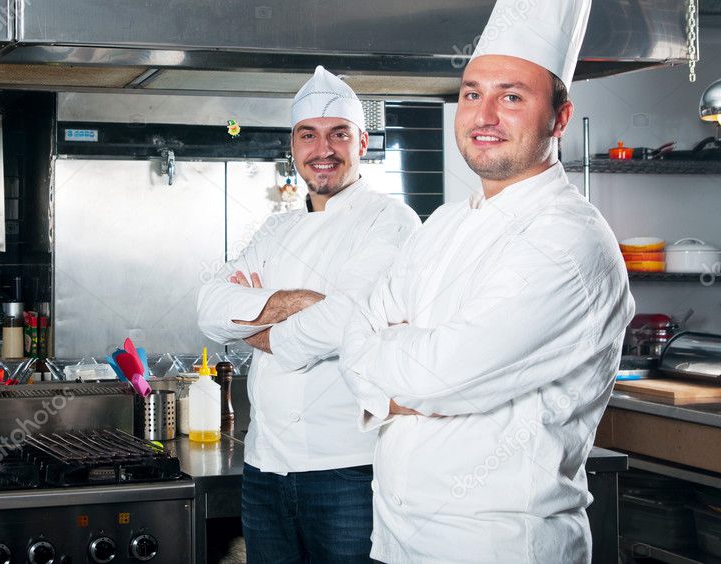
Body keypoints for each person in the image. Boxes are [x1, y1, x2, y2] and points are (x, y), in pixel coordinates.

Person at [338, 1, 635, 562]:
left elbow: (434, 375)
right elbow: (354, 342)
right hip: (397, 539)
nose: (485, 115)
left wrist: (398, 360)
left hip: (498, 544)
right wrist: (404, 368)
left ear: (560, 117)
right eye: (473, 93)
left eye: (512, 96)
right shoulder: (447, 221)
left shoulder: (569, 243)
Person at [197, 66, 420, 563]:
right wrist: (299, 303)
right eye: (309, 135)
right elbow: (210, 309)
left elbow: (349, 321)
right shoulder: (275, 230)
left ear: (362, 140)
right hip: (265, 468)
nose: (324, 150)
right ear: (293, 144)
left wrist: (260, 327)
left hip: (348, 469)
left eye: (339, 134)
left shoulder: (392, 220)